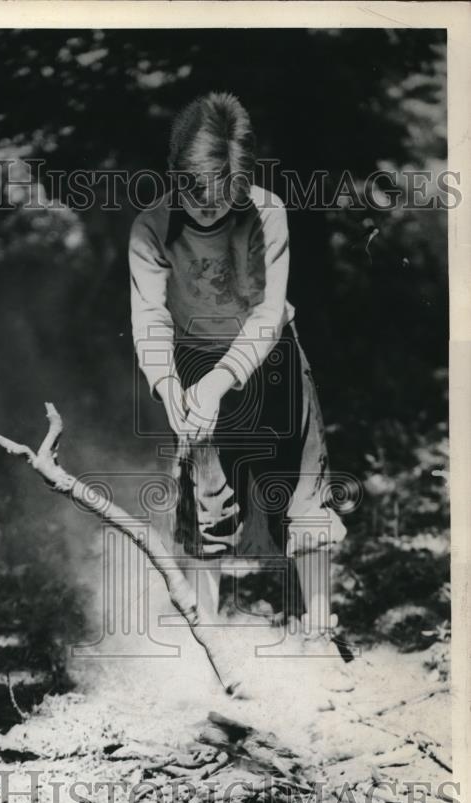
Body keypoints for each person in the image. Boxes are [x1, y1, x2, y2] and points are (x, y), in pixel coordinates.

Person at [129, 91, 347, 647]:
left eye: (222, 198)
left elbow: (268, 312)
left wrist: (221, 381)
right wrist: (169, 383)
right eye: (194, 195)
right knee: (204, 505)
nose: (207, 210)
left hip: (270, 363)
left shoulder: (268, 213)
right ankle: (211, 641)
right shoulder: (150, 228)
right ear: (174, 172)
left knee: (300, 494)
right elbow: (149, 318)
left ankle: (319, 630)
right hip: (192, 366)